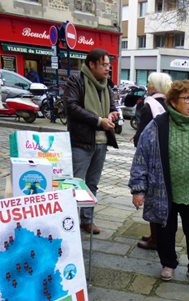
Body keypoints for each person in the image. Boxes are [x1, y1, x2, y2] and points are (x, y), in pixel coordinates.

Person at [129, 80, 189, 285]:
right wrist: (138, 189)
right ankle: (168, 263)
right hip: (164, 192)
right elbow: (141, 157)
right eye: (186, 98)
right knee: (165, 230)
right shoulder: (158, 125)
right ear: (172, 101)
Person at [64, 48, 119, 234]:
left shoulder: (106, 85)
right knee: (76, 182)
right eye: (104, 64)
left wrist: (113, 114)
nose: (107, 69)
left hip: (101, 142)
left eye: (109, 65)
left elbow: (111, 107)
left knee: (92, 183)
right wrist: (98, 120)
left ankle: (86, 219)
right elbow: (71, 106)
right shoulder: (76, 81)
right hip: (81, 141)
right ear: (92, 64)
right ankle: (68, 219)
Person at [132, 72, 173, 250]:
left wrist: (137, 139)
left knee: (152, 199)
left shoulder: (149, 105)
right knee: (162, 199)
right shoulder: (170, 104)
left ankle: (155, 239)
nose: (147, 86)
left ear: (154, 87)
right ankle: (156, 234)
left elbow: (142, 136)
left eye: (149, 83)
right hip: (167, 156)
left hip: (152, 159)